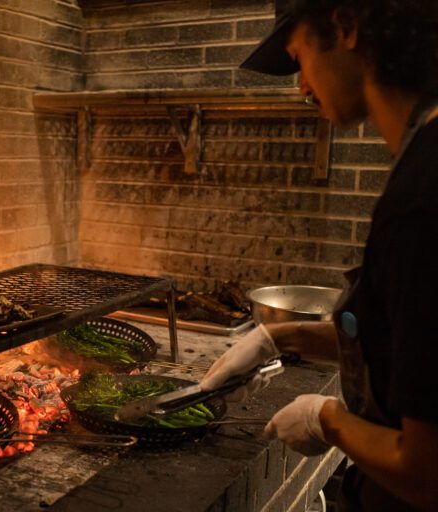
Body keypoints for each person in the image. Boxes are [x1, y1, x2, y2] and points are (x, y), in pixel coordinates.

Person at [199, 1, 438, 510]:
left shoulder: (422, 199)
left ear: (348, 26)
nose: (302, 85)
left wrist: (326, 419)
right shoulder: (422, 161)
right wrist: (277, 337)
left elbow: (426, 472)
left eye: (299, 55)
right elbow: (401, 340)